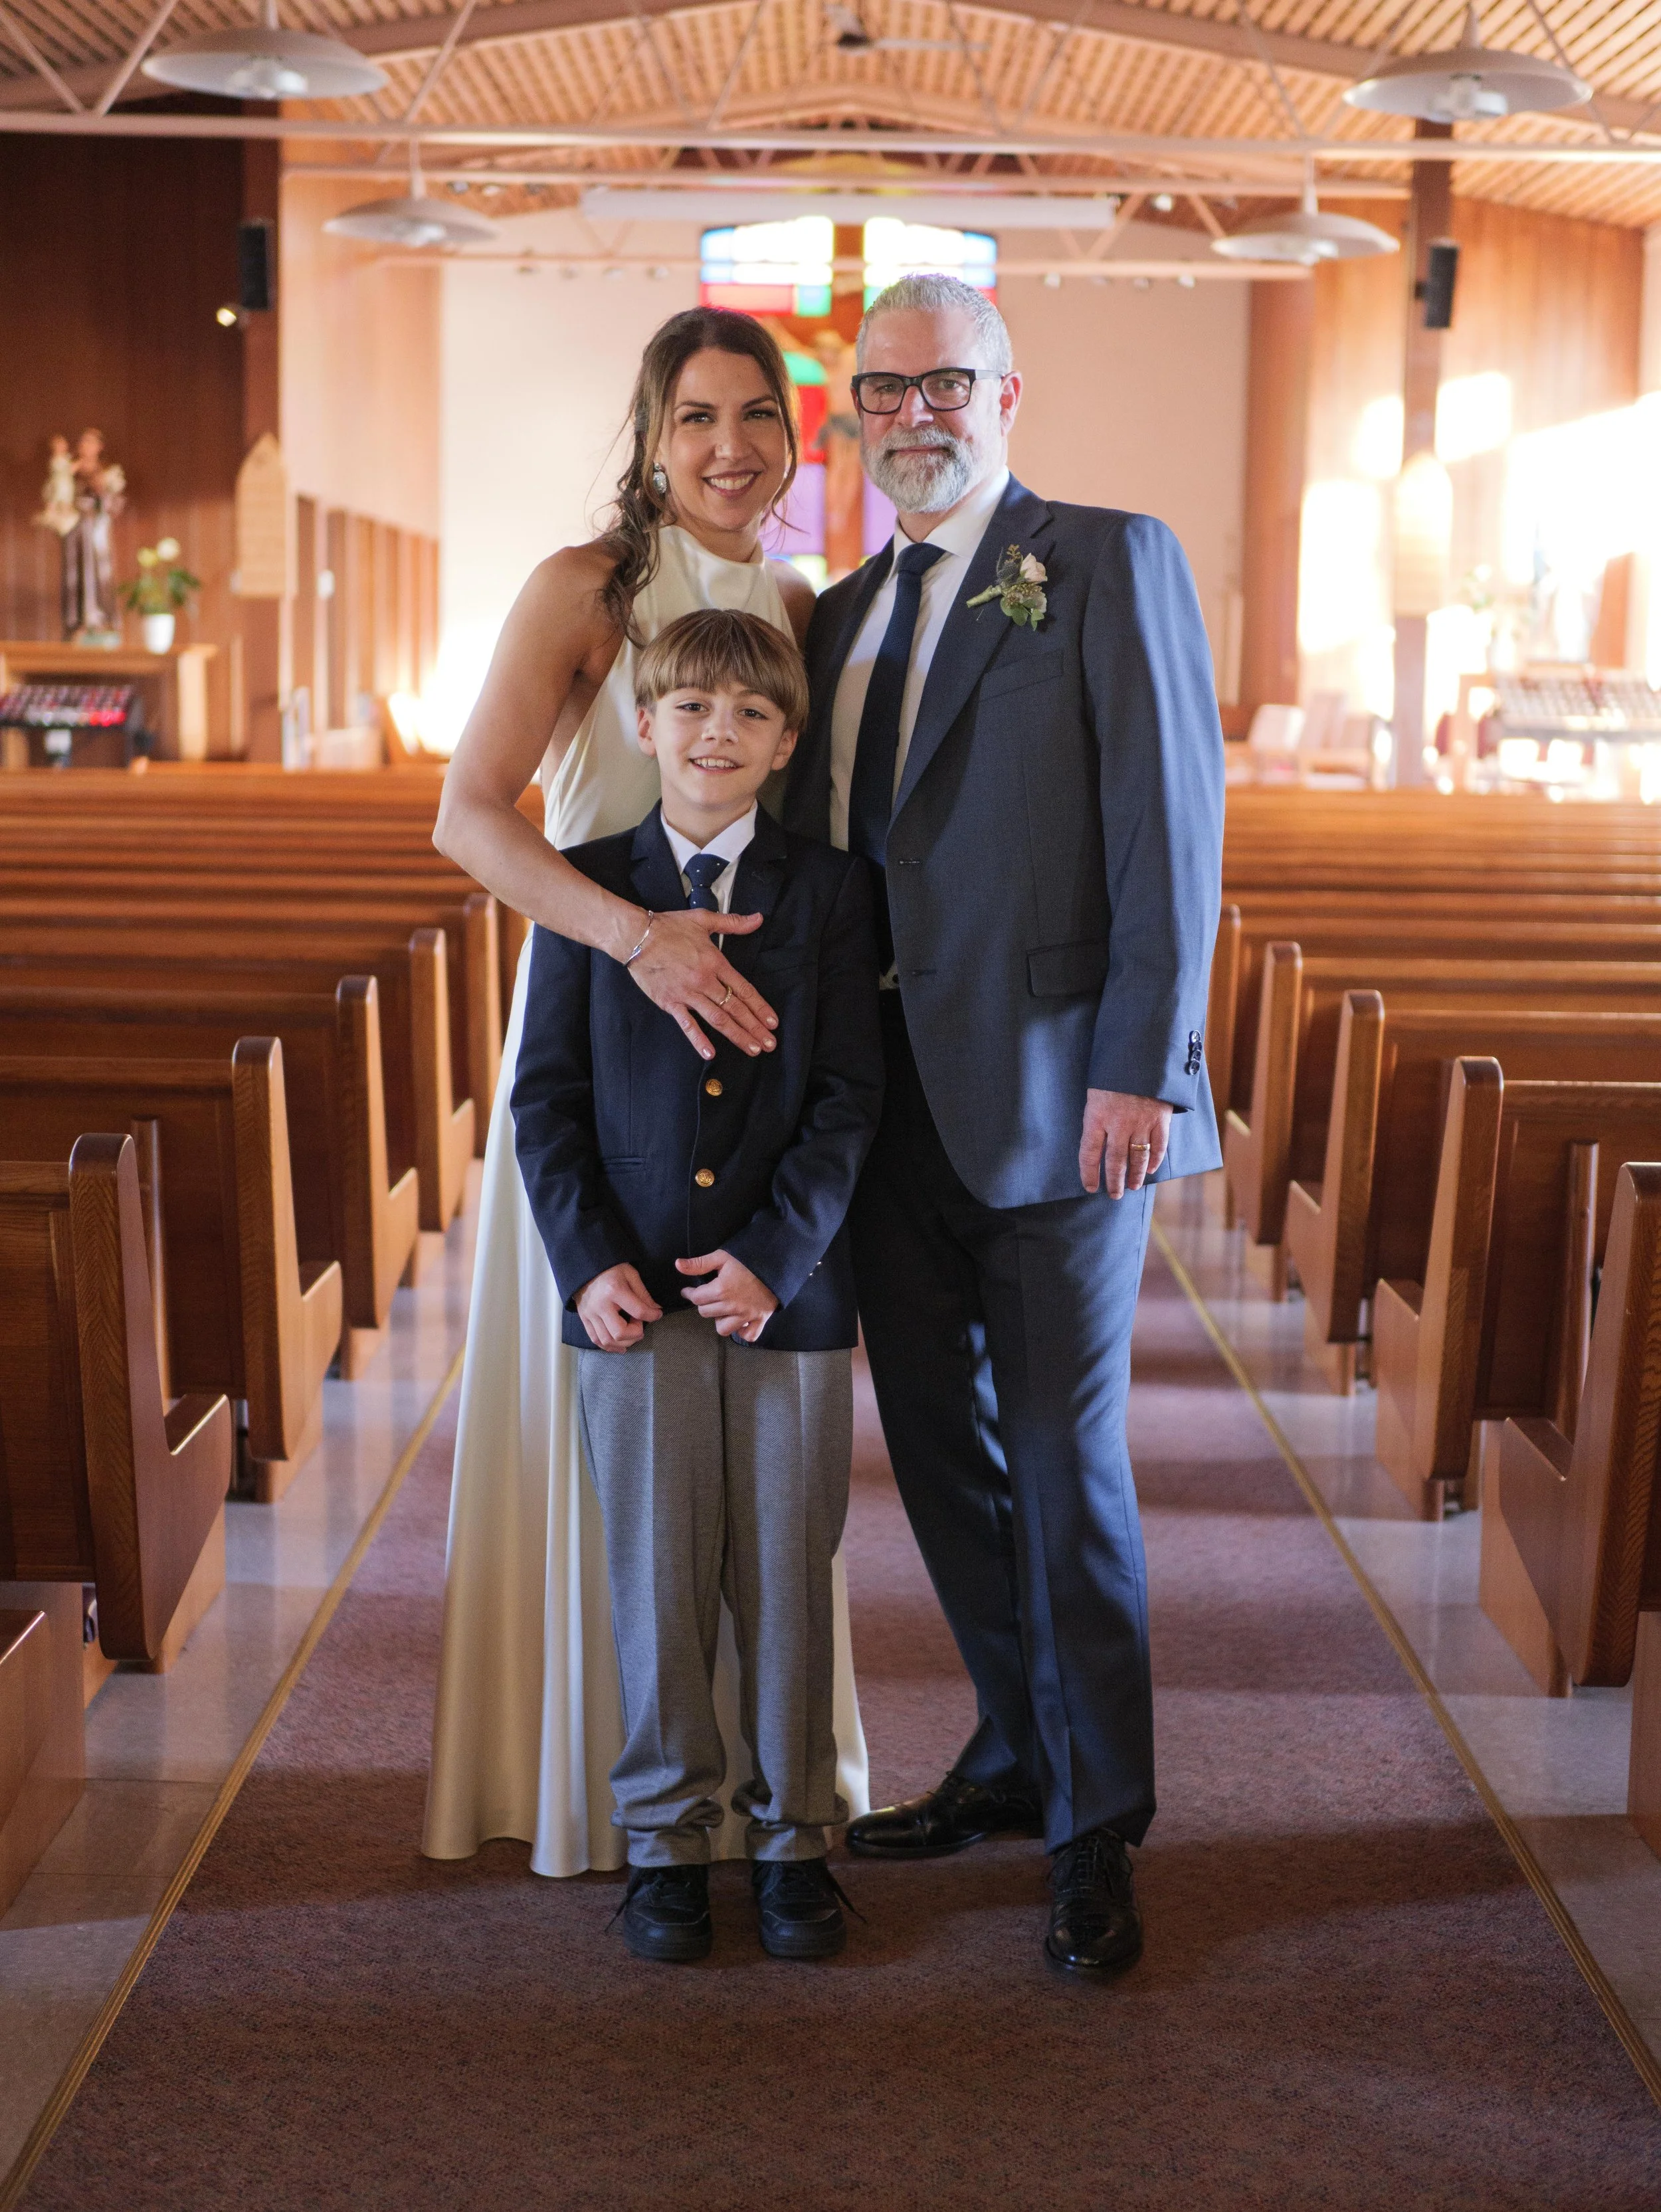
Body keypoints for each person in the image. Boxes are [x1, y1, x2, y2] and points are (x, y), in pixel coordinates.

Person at [784, 273, 1224, 1978]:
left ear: (1006, 395)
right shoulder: (837, 616)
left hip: (1060, 1102)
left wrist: (1144, 1065)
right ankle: (1007, 1748)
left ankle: (1098, 1818)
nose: (913, 416)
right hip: (882, 1117)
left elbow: (1169, 836)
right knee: (948, 1472)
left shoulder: (1108, 560)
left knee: (1061, 1462)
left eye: (944, 384)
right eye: (883, 391)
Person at [423, 310, 870, 1880]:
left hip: (750, 1086)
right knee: (609, 1437)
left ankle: (772, 1806)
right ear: (651, 430)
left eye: (760, 416)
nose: (730, 446)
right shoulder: (583, 591)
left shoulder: (797, 603)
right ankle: (612, 1799)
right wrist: (637, 941)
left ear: (793, 441)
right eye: (697, 417)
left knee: (753, 1489)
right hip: (596, 1063)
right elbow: (468, 822)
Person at [512, 608, 882, 1961]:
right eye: (687, 708)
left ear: (785, 740)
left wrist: (779, 1257)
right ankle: (666, 1841)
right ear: (641, 723)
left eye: (744, 713)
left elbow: (849, 1098)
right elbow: (543, 1103)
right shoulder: (586, 885)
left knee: (788, 1575)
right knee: (655, 1575)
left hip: (787, 1303)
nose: (713, 733)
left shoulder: (832, 892)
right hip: (630, 1299)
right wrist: (584, 1260)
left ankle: (792, 1844)